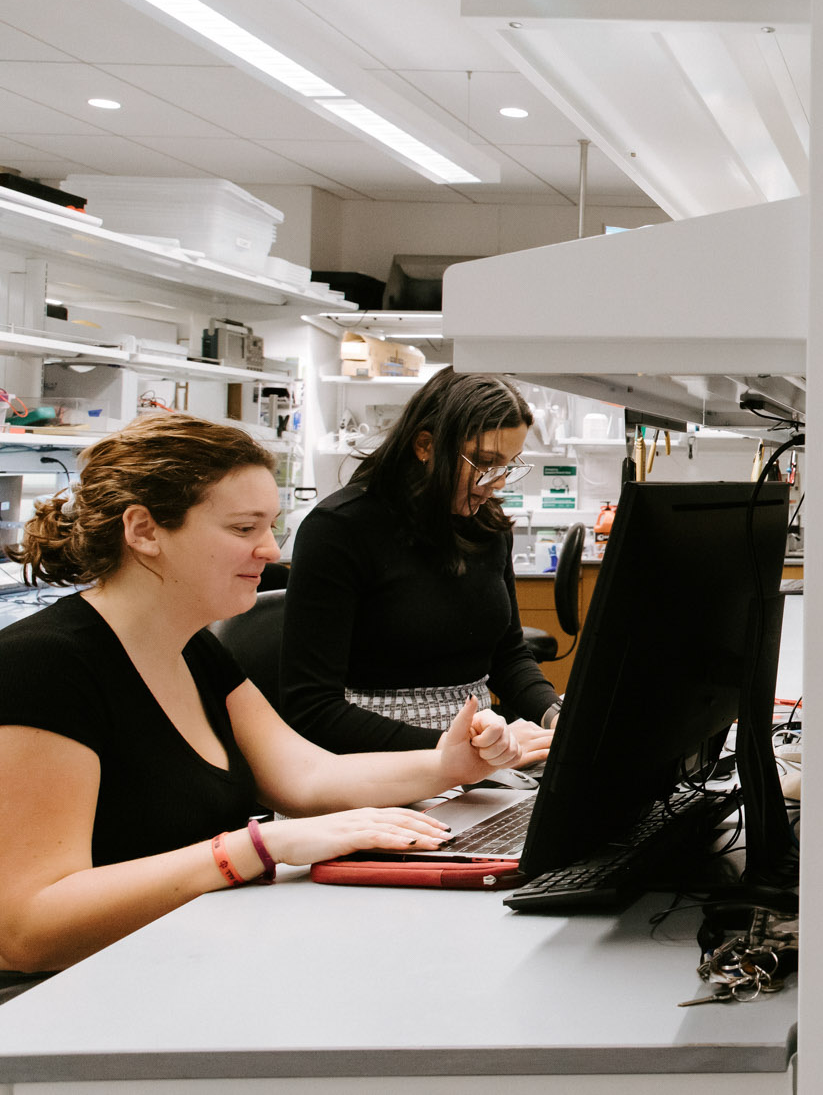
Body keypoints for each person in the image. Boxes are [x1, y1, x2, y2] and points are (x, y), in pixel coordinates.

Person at [0, 414, 536, 990]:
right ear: (144, 531)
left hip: (176, 965)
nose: (271, 549)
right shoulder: (43, 667)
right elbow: (29, 928)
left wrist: (452, 764)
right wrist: (259, 845)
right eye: (242, 528)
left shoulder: (195, 651)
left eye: (271, 525)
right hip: (68, 1002)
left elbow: (305, 776)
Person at [281, 369, 560, 755]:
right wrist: (452, 751)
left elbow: (508, 655)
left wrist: (557, 716)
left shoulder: (487, 526)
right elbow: (311, 708)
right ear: (425, 445)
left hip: (475, 749)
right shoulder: (340, 529)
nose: (497, 483)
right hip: (372, 762)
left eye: (508, 465)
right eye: (485, 462)